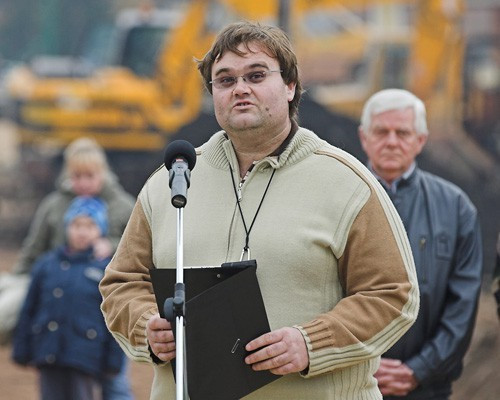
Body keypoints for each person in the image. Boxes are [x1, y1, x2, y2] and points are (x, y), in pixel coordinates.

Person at [99, 22, 420, 400]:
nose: (240, 89)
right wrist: (146, 327)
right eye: (225, 80)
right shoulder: (170, 183)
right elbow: (121, 283)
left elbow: (393, 295)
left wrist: (311, 343)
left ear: (290, 86)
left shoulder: (347, 183)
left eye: (256, 76)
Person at [358, 88, 483, 399]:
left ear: (421, 140)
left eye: (402, 132)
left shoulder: (455, 208)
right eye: (381, 131)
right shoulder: (338, 198)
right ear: (364, 137)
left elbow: (463, 305)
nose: (391, 141)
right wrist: (356, 367)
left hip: (427, 389)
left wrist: (420, 370)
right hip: (350, 385)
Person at [0, 137, 135, 399]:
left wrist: (110, 244)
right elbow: (34, 249)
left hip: (107, 303)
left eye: (89, 175)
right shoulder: (53, 206)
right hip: (61, 308)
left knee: (114, 382)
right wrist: (18, 280)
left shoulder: (122, 206)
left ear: (103, 173)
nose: (83, 182)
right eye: (76, 176)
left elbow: (138, 247)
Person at [12, 196, 125, 400]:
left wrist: (114, 360)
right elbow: (29, 309)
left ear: (101, 230)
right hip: (47, 353)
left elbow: (115, 319)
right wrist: (21, 347)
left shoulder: (106, 270)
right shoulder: (45, 265)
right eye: (76, 225)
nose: (82, 232)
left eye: (90, 226)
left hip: (86, 357)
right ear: (67, 227)